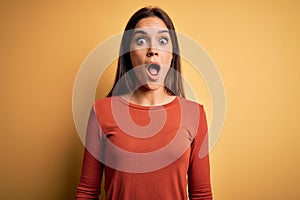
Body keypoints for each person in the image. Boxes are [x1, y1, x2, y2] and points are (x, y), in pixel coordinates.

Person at [75, 6, 213, 200]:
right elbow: (87, 193)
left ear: (172, 54)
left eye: (163, 41)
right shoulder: (102, 112)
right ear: (129, 54)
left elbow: (201, 195)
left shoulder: (194, 114)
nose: (153, 51)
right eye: (141, 40)